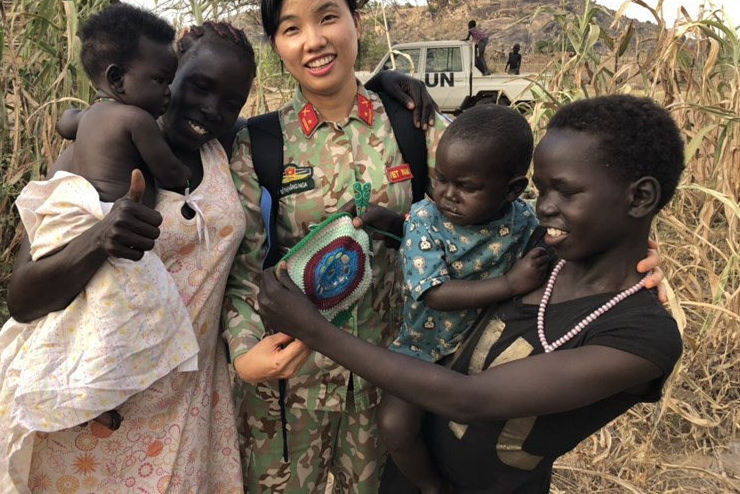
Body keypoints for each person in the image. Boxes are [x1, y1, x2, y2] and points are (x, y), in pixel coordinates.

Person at [0, 12, 436, 491]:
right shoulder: (97, 156)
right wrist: (98, 238)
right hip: (103, 402)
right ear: (169, 74)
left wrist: (385, 81)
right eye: (198, 86)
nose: (211, 109)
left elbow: (318, 117)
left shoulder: (224, 149)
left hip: (191, 404)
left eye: (231, 101)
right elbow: (23, 299)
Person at [258, 94, 685, 494]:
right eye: (542, 189)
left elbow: (468, 399)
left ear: (640, 197)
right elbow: (464, 248)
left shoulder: (640, 337)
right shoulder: (538, 254)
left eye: (566, 191)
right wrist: (393, 223)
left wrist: (311, 329)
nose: (545, 206)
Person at [222, 0, 451, 493]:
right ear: (276, 46)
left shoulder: (413, 124)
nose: (313, 41)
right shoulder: (257, 146)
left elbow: (483, 215)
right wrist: (243, 353)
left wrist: (604, 256)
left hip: (388, 378)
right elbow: (242, 270)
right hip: (286, 389)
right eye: (290, 28)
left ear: (357, 23)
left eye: (328, 17)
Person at [0, 4, 206, 491]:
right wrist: (183, 174)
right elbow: (168, 172)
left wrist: (82, 116)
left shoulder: (83, 127)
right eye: (162, 80)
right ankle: (102, 396)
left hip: (65, 217)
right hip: (104, 224)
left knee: (78, 323)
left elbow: (63, 121)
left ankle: (78, 396)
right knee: (121, 315)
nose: (168, 92)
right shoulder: (137, 121)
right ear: (119, 79)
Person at [377, 105, 547, 494]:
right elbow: (434, 293)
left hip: (483, 355)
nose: (447, 195)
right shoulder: (425, 218)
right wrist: (509, 284)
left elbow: (568, 239)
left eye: (466, 187)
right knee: (394, 426)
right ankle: (431, 486)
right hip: (421, 349)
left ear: (512, 190)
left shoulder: (523, 220)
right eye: (440, 180)